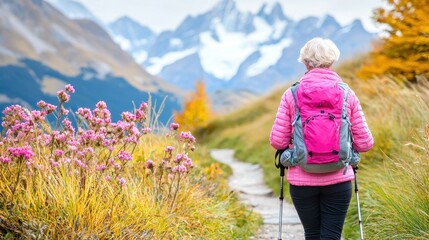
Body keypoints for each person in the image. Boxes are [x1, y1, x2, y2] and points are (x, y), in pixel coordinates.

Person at [269, 37, 374, 240]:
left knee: (312, 233)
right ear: (332, 61)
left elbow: (278, 141)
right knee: (331, 235)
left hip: (302, 180)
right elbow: (365, 143)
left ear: (306, 62)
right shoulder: (347, 94)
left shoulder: (291, 94)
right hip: (339, 177)